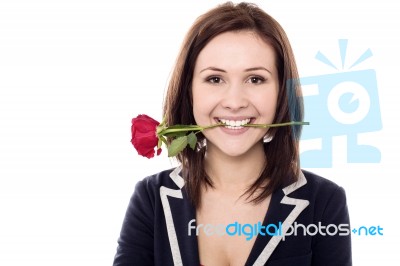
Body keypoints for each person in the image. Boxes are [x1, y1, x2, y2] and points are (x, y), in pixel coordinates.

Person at [113, 2, 352, 265]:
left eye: (255, 79)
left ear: (281, 92)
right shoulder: (152, 198)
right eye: (215, 79)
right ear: (189, 89)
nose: (235, 102)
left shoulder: (324, 201)